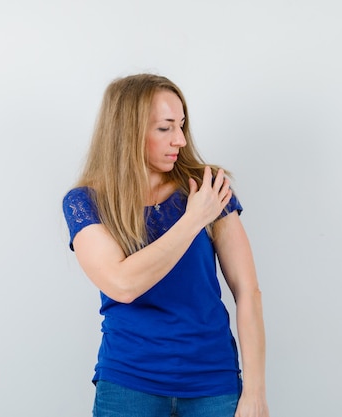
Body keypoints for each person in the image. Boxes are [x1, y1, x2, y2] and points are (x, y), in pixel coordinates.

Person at [62, 73, 269, 417]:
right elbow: (122, 285)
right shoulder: (86, 202)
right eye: (165, 128)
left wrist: (255, 392)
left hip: (213, 383)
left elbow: (248, 292)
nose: (180, 140)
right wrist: (192, 220)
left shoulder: (207, 188)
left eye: (182, 126)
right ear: (127, 132)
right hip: (129, 383)